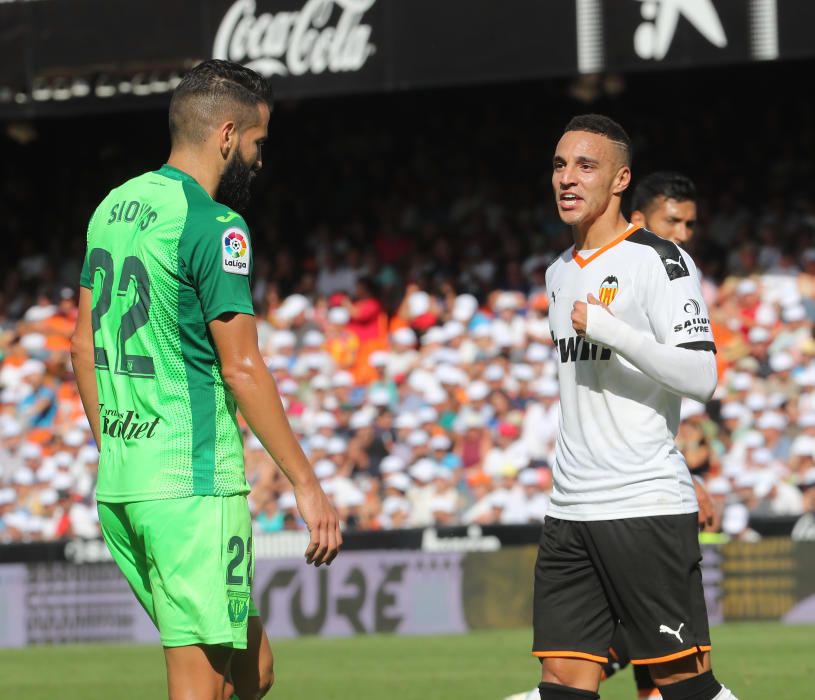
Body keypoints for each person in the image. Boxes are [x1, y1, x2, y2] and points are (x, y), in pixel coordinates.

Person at [70, 59, 341, 700]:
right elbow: (242, 365)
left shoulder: (115, 207)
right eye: (257, 143)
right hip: (190, 484)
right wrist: (307, 484)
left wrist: (114, 443)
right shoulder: (216, 226)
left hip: (126, 483)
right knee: (200, 688)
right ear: (227, 136)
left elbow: (81, 346)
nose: (259, 159)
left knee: (254, 671)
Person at [531, 114, 737, 700]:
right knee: (563, 681)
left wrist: (612, 330)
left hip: (641, 502)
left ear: (621, 180)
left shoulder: (660, 260)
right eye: (559, 164)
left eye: (585, 166)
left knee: (679, 682)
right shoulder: (557, 273)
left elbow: (702, 376)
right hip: (570, 507)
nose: (568, 178)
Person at [630, 171, 698, 246]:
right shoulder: (617, 256)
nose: (683, 236)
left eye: (689, 224)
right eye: (671, 221)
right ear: (639, 221)